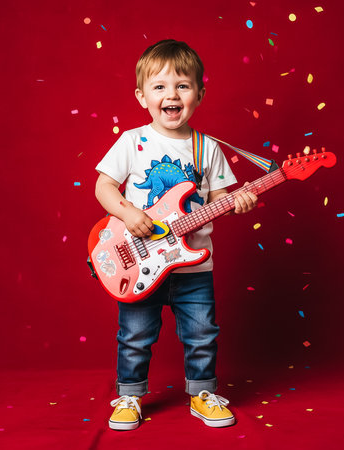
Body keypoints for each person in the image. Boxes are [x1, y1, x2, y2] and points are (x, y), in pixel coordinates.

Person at [94, 39, 257, 431]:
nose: (172, 94)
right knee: (134, 335)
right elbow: (103, 188)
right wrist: (129, 212)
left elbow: (219, 198)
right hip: (142, 264)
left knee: (202, 334)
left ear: (199, 94)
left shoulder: (208, 148)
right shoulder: (132, 142)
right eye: (160, 86)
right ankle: (129, 396)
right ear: (141, 96)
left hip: (193, 265)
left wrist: (240, 200)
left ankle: (202, 394)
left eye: (183, 86)